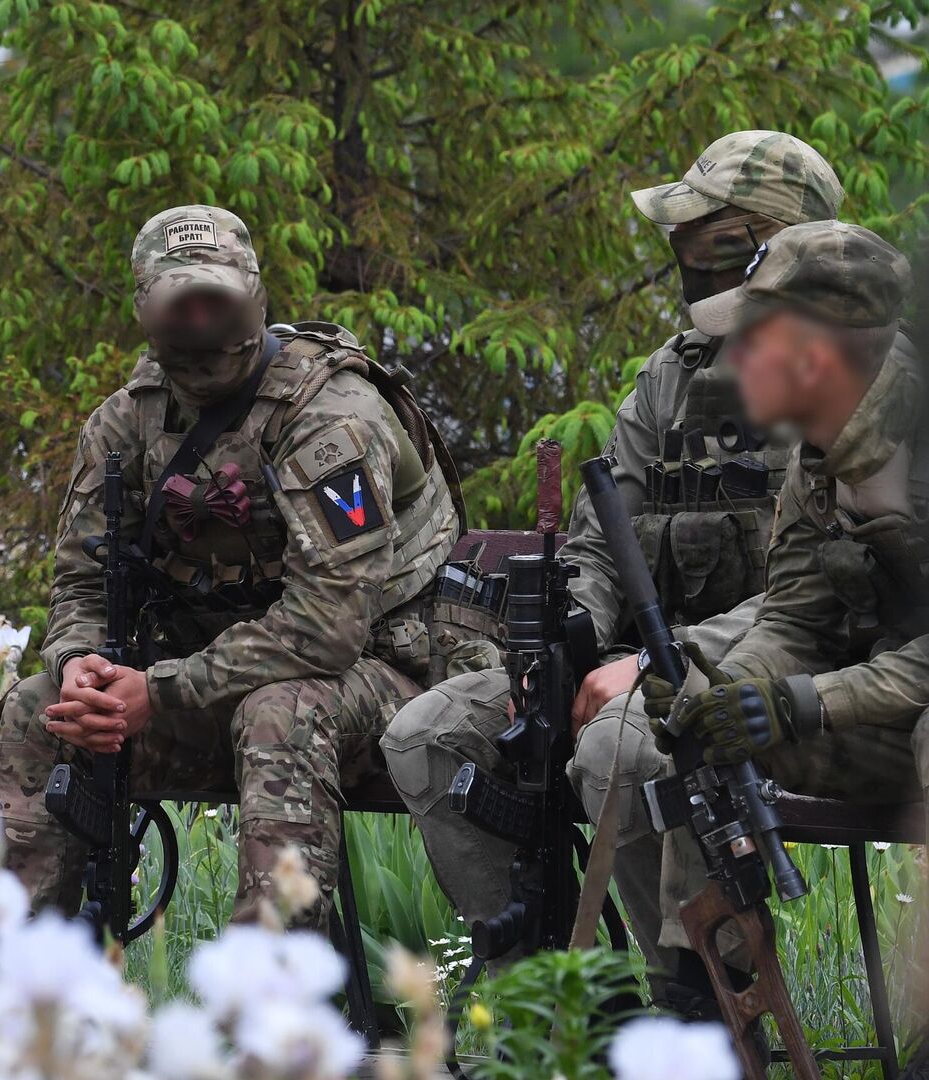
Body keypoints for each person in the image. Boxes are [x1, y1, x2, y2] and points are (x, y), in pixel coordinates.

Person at [381, 130, 848, 967]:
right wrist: (567, 637)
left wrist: (653, 667)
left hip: (796, 678)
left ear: (770, 251)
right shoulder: (672, 376)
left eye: (708, 244)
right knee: (428, 734)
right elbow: (604, 546)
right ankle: (551, 1007)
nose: (686, 264)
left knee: (617, 749)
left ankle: (697, 1008)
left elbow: (830, 593)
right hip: (642, 666)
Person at [0, 204, 460, 926]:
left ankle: (268, 996)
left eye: (217, 298)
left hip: (383, 679)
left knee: (282, 711)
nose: (201, 319)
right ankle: (19, 982)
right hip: (211, 684)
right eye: (182, 302)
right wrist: (80, 663)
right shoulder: (127, 421)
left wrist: (162, 688)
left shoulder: (331, 421)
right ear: (147, 308)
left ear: (252, 293)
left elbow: (330, 628)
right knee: (36, 708)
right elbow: (83, 578)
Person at [598, 220, 926, 1006]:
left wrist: (801, 701)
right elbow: (796, 616)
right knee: (695, 741)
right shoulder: (819, 449)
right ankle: (702, 1005)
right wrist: (732, 689)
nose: (735, 359)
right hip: (884, 714)